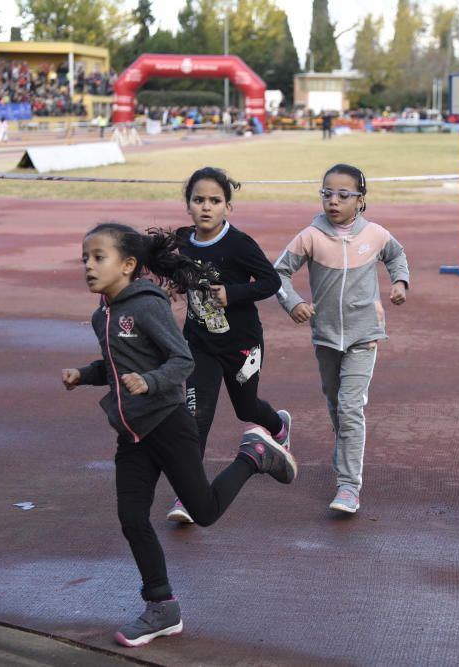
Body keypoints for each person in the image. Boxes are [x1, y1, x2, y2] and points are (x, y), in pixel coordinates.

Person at [61, 223, 297, 648]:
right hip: (132, 432)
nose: (89, 266)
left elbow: (181, 359)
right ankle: (162, 607)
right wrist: (85, 375)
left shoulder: (147, 307)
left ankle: (255, 455)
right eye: (85, 258)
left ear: (129, 265)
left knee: (203, 510)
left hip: (168, 423)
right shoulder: (103, 314)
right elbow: (114, 365)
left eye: (99, 258)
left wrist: (149, 383)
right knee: (132, 518)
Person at [274, 163, 410, 514]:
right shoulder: (310, 236)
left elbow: (396, 256)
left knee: (350, 408)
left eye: (343, 195)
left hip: (365, 335)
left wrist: (399, 283)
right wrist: (294, 303)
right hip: (326, 336)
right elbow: (279, 274)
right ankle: (346, 448)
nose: (333, 201)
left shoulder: (376, 234)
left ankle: (348, 486)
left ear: (360, 200)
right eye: (326, 194)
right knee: (336, 404)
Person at [166, 167, 289, 524]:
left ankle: (278, 426)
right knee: (195, 418)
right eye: (198, 200)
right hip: (199, 344)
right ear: (188, 205)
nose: (206, 207)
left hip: (241, 345)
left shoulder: (238, 243)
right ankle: (187, 493)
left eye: (215, 201)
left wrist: (231, 293)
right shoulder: (182, 240)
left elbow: (270, 281)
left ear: (228, 208)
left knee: (246, 408)